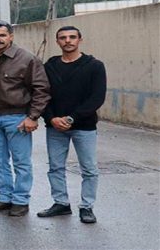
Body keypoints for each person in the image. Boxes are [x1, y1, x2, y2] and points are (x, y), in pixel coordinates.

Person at [0, 19, 50, 217]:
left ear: (11, 36)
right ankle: (4, 198)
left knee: (21, 162)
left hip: (17, 117)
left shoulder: (26, 59)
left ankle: (21, 200)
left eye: (2, 35)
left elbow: (41, 90)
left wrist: (33, 117)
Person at [37, 26, 106, 224]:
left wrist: (71, 118)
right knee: (55, 167)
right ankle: (61, 203)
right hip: (55, 127)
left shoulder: (94, 66)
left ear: (79, 40)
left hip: (84, 127)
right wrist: (51, 118)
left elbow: (97, 98)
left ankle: (87, 207)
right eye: (63, 38)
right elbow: (42, 95)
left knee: (89, 169)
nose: (68, 41)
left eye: (72, 37)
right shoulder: (49, 66)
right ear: (57, 41)